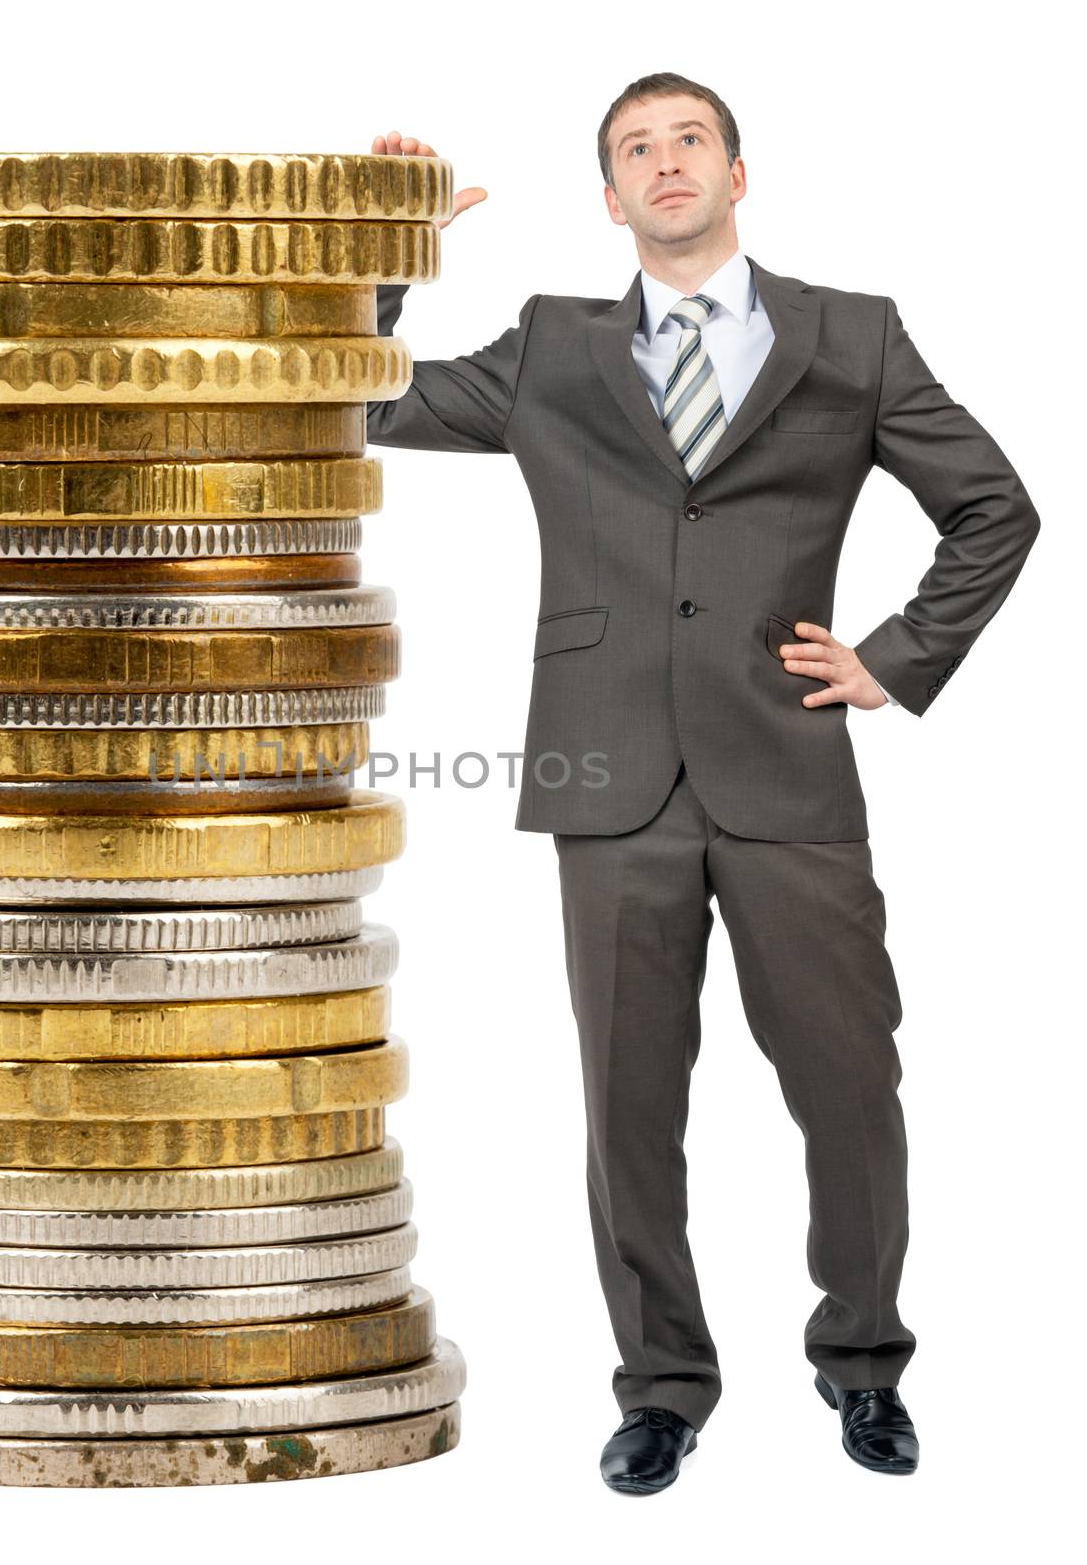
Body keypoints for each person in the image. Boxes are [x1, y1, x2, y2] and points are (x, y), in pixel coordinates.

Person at [363, 72, 1041, 1495]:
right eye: (633, 151)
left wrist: (894, 657)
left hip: (786, 764)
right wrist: (382, 257)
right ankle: (661, 1387)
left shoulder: (849, 339)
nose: (664, 164)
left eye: (689, 142)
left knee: (851, 1084)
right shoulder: (552, 348)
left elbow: (993, 505)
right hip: (602, 768)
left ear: (740, 174)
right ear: (608, 199)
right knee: (627, 1106)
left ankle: (861, 1363)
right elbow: (375, 406)